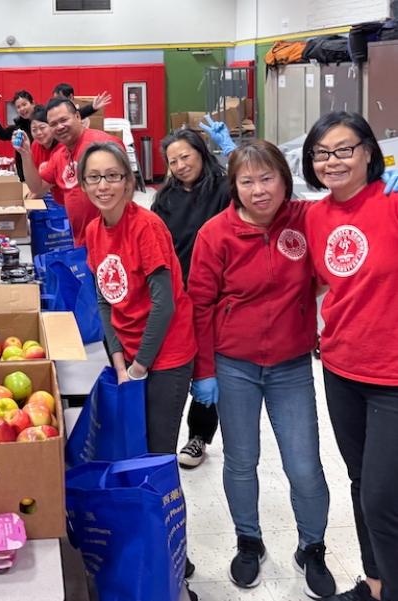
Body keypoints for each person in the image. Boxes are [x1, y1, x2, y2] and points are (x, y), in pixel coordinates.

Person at [188, 140, 334, 596]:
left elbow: (331, 263)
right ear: (234, 187)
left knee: (305, 464)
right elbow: (200, 304)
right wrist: (204, 370)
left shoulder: (305, 220)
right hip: (235, 366)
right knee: (241, 461)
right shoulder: (216, 233)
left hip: (291, 365)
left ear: (285, 180)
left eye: (267, 178)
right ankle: (248, 540)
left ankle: (312, 547)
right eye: (247, 181)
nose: (259, 190)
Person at [301, 112, 398, 601]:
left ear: (368, 151)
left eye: (343, 149)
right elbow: (323, 281)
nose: (332, 161)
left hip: (393, 374)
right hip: (341, 367)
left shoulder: (392, 199)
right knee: (362, 483)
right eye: (322, 152)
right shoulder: (315, 216)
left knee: (384, 498)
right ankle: (376, 583)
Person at [80, 141, 197, 455]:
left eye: (112, 176)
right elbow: (105, 300)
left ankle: (161, 506)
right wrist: (119, 362)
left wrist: (138, 368)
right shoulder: (93, 231)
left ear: (128, 182)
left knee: (157, 453)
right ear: (83, 184)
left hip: (166, 354)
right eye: (94, 177)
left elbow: (164, 304)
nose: (103, 185)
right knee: (132, 447)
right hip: (129, 352)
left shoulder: (146, 227)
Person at [152, 127, 232, 469]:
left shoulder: (224, 189)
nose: (181, 165)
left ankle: (199, 436)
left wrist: (231, 150)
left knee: (206, 365)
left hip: (217, 292)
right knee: (176, 364)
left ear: (201, 152)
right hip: (177, 292)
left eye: (186, 156)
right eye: (173, 161)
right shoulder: (165, 198)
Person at [18, 97, 124, 246]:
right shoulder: (59, 155)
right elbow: (37, 187)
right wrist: (25, 154)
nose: (59, 127)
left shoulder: (102, 144)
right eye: (53, 124)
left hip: (111, 239)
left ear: (78, 116)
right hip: (81, 239)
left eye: (63, 120)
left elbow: (126, 187)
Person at [0, 90, 35, 180]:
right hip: (24, 175)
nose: (22, 109)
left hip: (42, 174)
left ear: (32, 103)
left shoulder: (43, 123)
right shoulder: (18, 127)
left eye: (24, 104)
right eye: (18, 107)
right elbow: (2, 134)